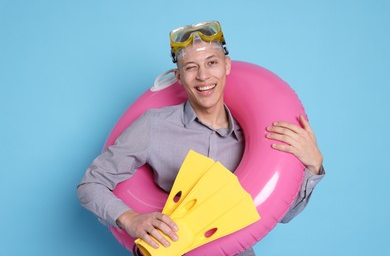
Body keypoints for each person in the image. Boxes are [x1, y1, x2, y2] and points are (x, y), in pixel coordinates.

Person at [77, 21, 325, 256]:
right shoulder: (153, 125)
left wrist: (313, 167)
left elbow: (280, 212)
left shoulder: (255, 138)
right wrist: (130, 219)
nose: (203, 76)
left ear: (226, 67)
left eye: (212, 63)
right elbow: (90, 185)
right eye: (191, 67)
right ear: (179, 77)